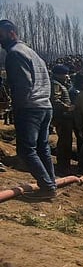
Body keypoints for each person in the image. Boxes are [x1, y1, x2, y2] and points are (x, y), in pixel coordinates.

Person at [0, 19, 57, 200]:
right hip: (44, 106)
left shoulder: (15, 54)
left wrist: (16, 107)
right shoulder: (32, 53)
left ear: (11, 33)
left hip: (30, 107)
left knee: (26, 150)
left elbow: (22, 85)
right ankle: (51, 183)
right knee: (42, 148)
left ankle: (47, 186)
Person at [50, 64, 76, 174]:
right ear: (59, 74)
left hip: (64, 117)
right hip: (63, 117)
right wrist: (68, 108)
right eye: (66, 74)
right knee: (65, 142)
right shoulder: (56, 85)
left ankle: (64, 164)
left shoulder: (61, 84)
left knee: (66, 141)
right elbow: (55, 100)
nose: (67, 76)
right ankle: (63, 166)